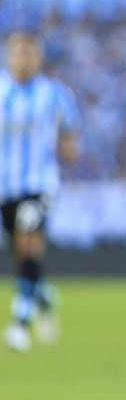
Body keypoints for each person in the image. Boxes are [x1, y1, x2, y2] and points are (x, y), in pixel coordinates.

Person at [1, 31, 80, 352]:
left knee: (28, 236)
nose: (23, 58)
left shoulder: (55, 95)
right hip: (5, 185)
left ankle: (20, 324)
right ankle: (43, 295)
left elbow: (71, 139)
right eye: (18, 52)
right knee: (22, 253)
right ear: (8, 55)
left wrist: (67, 150)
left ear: (39, 57)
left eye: (29, 52)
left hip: (41, 183)